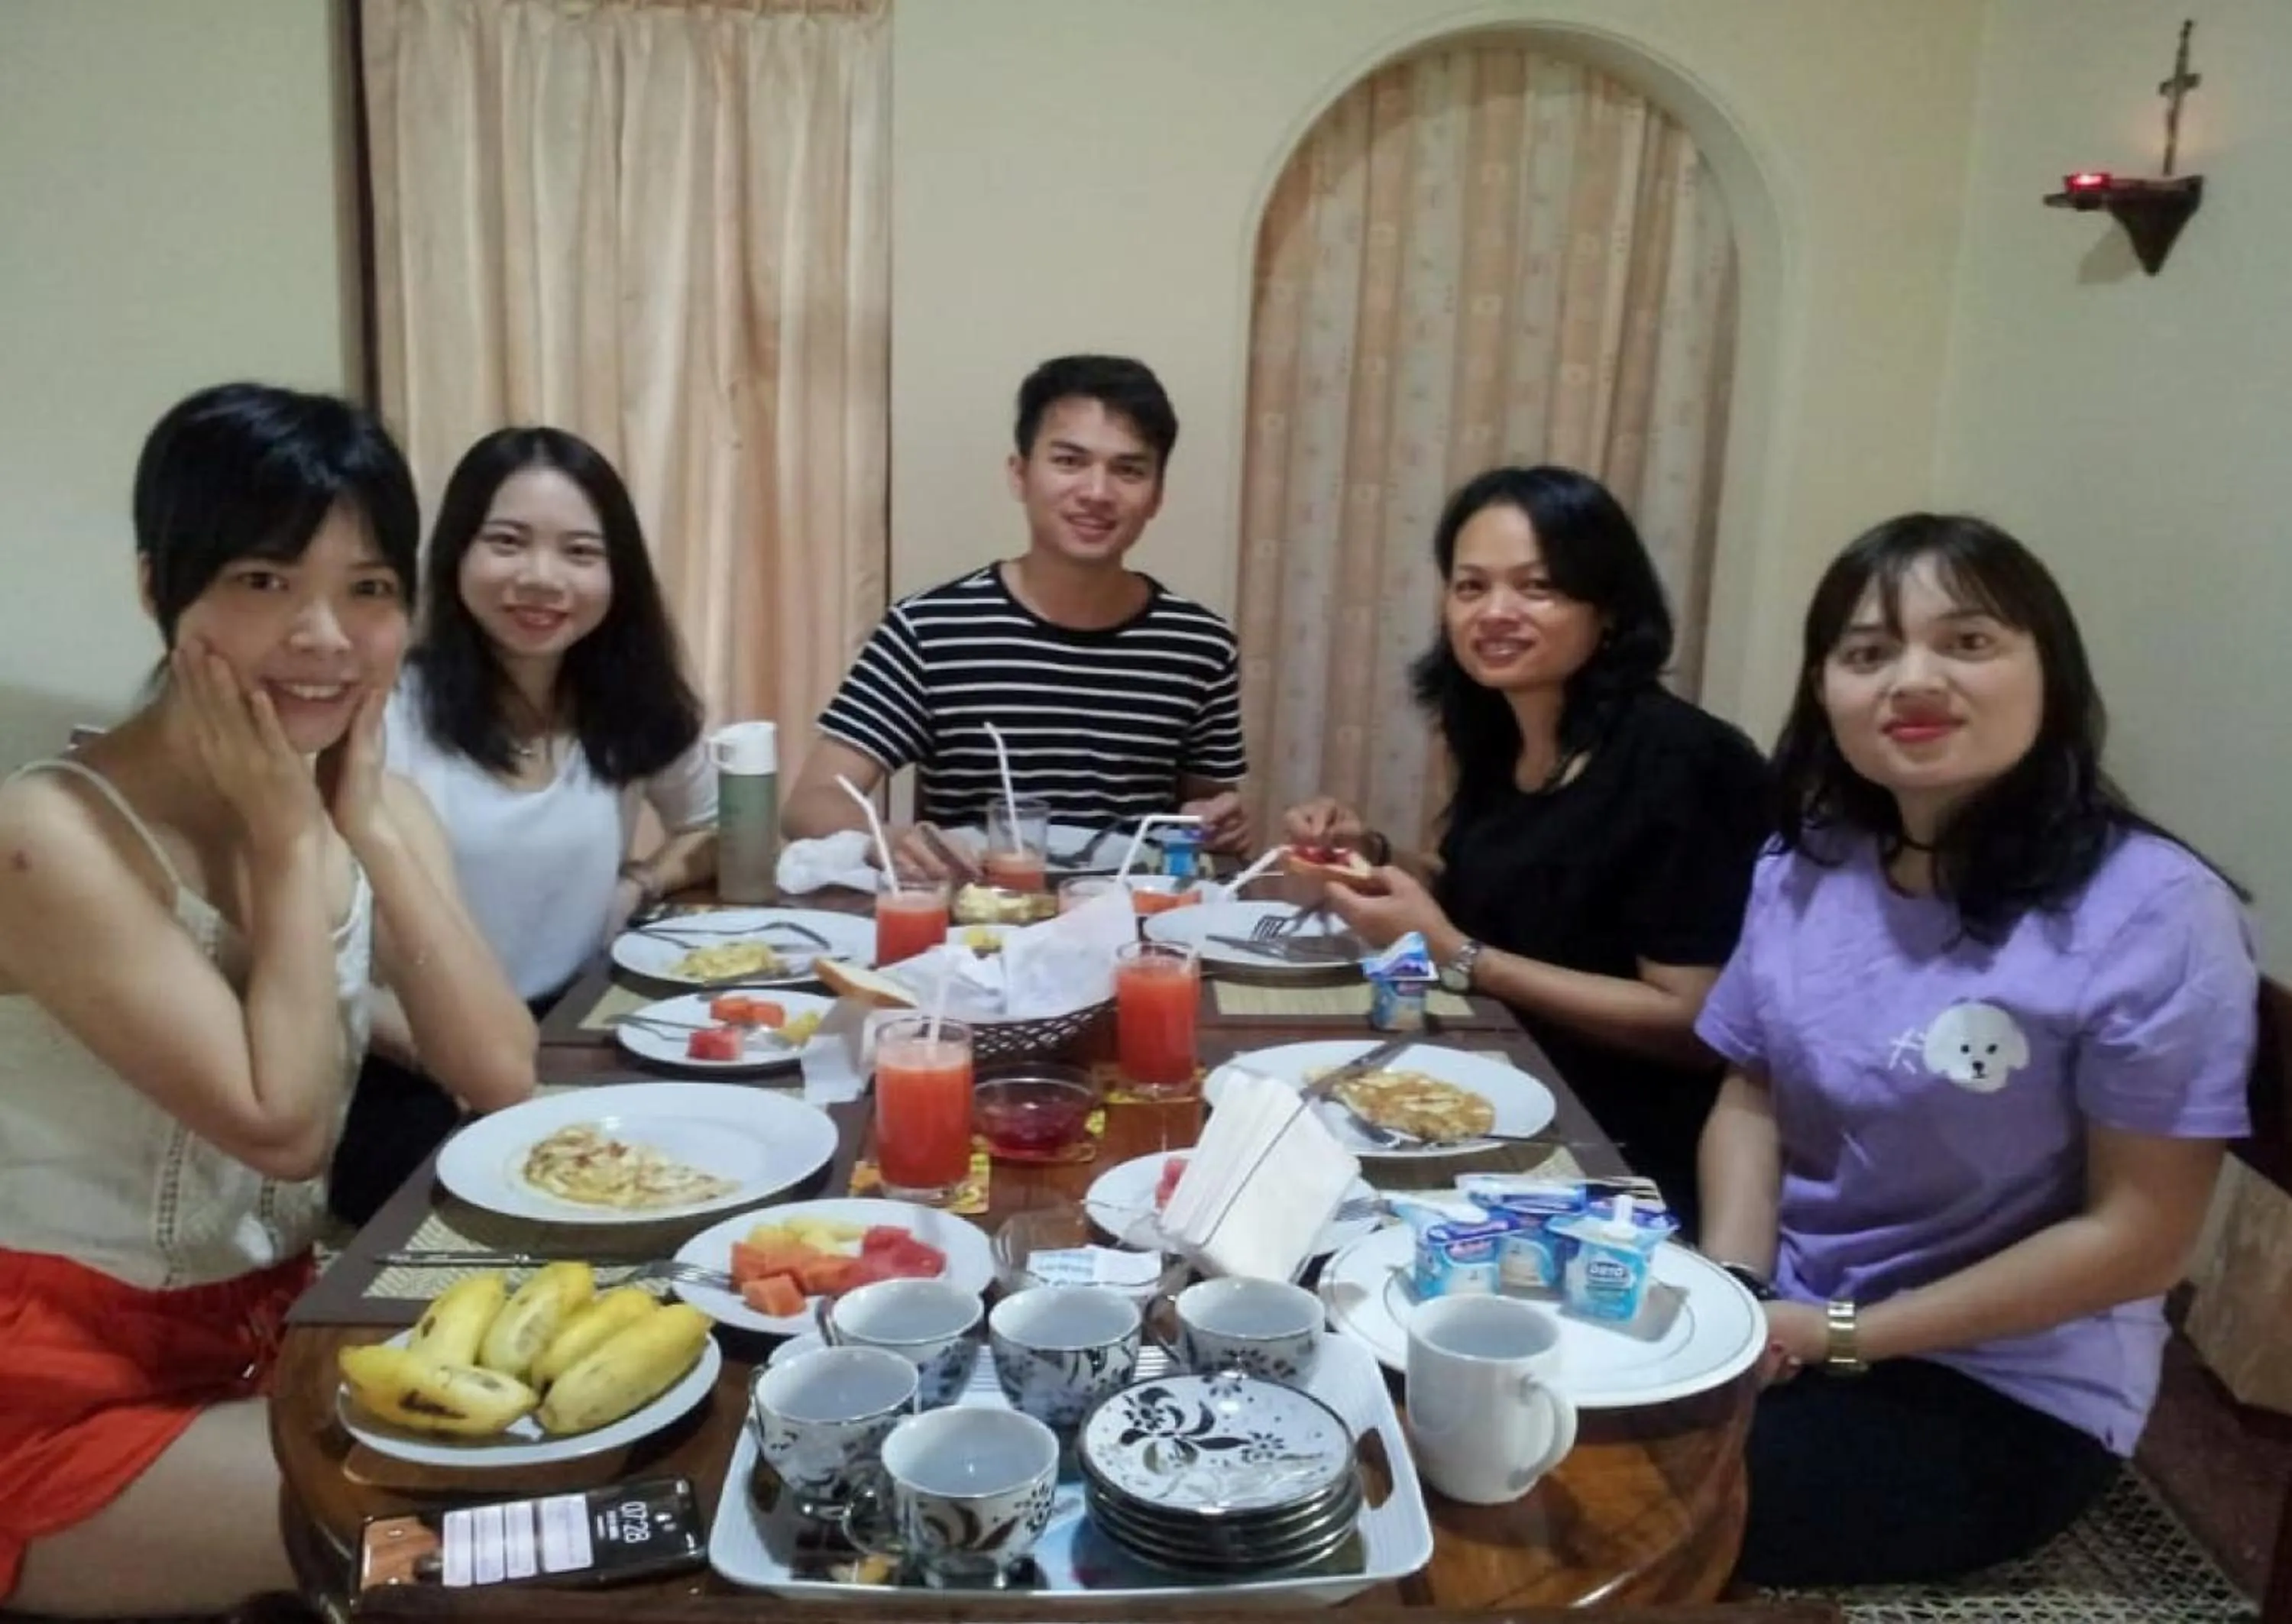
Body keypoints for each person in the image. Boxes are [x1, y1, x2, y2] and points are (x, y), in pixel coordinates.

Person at [0, 383, 536, 1614]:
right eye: (261, 580)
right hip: (57, 1394)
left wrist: (367, 828)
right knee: (458, 1551)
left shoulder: (352, 801)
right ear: (158, 587)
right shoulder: (51, 835)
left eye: (369, 588)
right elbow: (282, 1122)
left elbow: (501, 1072)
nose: (325, 636)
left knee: (603, 1475)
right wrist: (296, 845)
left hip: (276, 1337)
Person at [1695, 513, 2256, 1587]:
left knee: (1620, 1495)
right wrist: (1734, 1287)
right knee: (1492, 1383)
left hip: (2003, 1387)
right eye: (1868, 652)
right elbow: (1751, 1086)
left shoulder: (2153, 912)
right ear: (1825, 691)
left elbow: (2141, 1237)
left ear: (2052, 672)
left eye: (1968, 642)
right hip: (1794, 1311)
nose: (1912, 680)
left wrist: (1839, 1333)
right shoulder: (1807, 863)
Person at [1285, 465, 1769, 1226]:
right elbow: (1508, 891)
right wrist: (1375, 852)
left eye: (1536, 587)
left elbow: (1697, 1024)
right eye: (1471, 587)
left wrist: (1455, 950)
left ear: (1607, 607)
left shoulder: (1682, 762)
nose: (1495, 613)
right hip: (1497, 1085)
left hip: (1615, 1157)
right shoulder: (1501, 731)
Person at [328, 426, 715, 1224]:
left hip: (576, 1028)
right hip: (403, 1066)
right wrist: (458, 1060)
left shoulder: (628, 703)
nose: (541, 579)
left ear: (617, 573)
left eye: (580, 552)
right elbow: (312, 950)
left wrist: (639, 880)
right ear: (456, 554)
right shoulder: (382, 710)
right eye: (507, 542)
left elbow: (719, 826)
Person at [782, 354, 1251, 875]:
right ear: (1020, 474)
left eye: (1128, 470)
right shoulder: (930, 629)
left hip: (1133, 932)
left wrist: (1216, 821)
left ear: (1157, 495)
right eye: (1070, 462)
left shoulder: (1199, 643)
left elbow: (1207, 809)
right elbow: (811, 803)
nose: (1097, 492)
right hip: (972, 933)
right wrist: (885, 838)